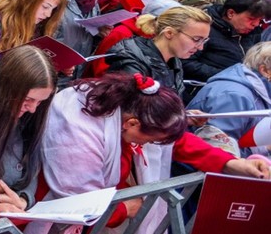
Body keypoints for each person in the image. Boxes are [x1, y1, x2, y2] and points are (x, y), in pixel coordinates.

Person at [34, 74, 269, 233]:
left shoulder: (128, 108)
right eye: (153, 140)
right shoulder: (80, 135)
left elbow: (177, 142)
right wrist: (126, 209)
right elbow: (79, 202)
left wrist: (232, 163)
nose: (156, 145)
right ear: (133, 124)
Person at [0, 46, 56, 213]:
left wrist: (24, 199)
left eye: (40, 102)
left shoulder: (32, 115)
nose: (33, 109)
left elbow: (33, 161)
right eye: (28, 99)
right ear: (7, 89)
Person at [106, 5, 211, 99]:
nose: (200, 47)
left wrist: (186, 116)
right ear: (169, 33)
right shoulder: (132, 64)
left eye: (204, 40)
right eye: (196, 39)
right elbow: (131, 112)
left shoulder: (174, 61)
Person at [188, 42, 271, 158]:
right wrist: (265, 148)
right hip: (193, 172)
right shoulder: (234, 96)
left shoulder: (259, 88)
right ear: (265, 71)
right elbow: (219, 151)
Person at [182, 0, 268, 83]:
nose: (256, 24)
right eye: (251, 19)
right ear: (231, 13)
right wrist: (228, 76)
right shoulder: (205, 29)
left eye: (259, 20)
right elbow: (186, 63)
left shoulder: (253, 33)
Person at [55, 0, 116, 79]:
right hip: (52, 72)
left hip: (74, 73)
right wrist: (59, 62)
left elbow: (84, 37)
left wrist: (98, 32)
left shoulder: (92, 1)